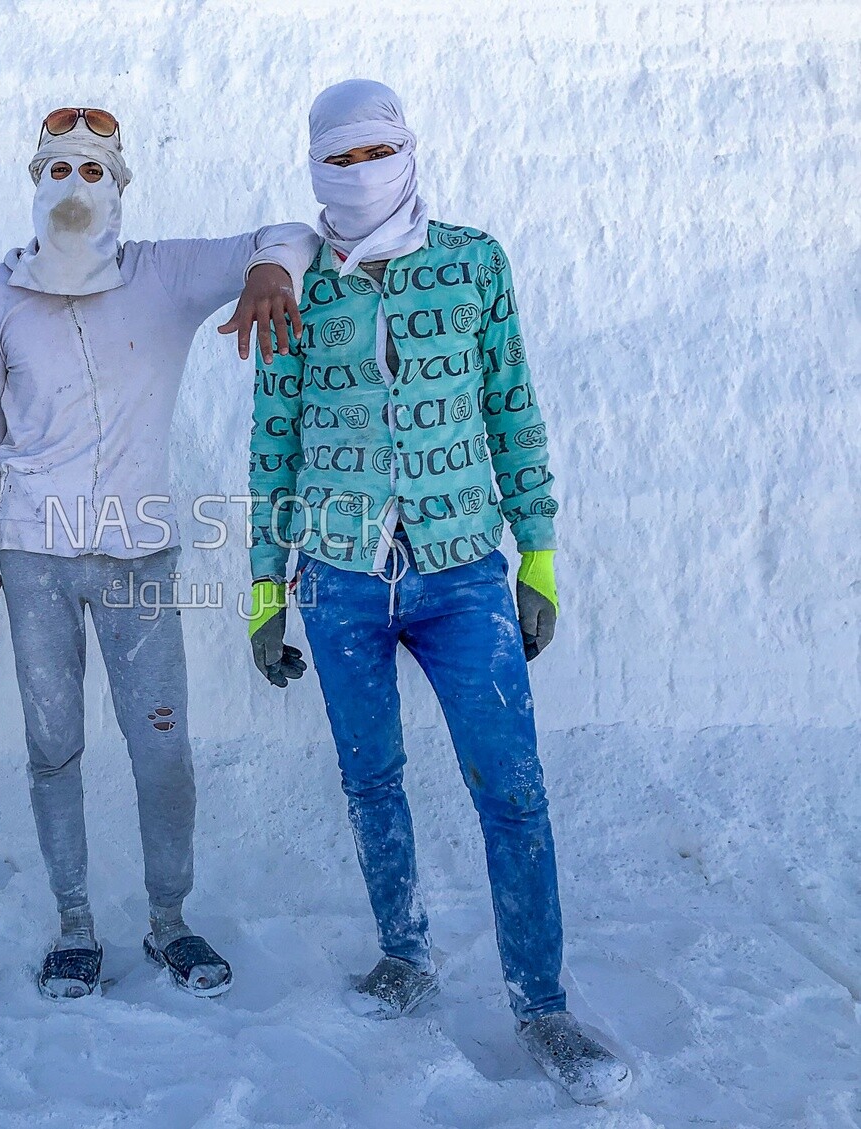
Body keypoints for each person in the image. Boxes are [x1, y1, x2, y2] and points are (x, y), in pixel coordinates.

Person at [245, 81, 630, 1105]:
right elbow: (272, 437)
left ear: (410, 149)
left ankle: (543, 1003)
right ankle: (404, 952)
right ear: (314, 166)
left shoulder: (472, 262)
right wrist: (260, 586)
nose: (362, 170)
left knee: (511, 788)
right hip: (338, 575)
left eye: (379, 150)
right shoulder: (296, 286)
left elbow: (512, 403)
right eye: (341, 156)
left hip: (463, 570)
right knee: (370, 778)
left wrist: (537, 551)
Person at [0, 107, 320, 1000]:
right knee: (53, 747)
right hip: (32, 557)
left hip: (139, 557)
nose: (72, 188)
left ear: (120, 186)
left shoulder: (163, 273)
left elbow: (292, 232)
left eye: (92, 171)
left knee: (162, 748)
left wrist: (272, 267)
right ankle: (75, 924)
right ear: (32, 182)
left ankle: (170, 922)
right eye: (55, 170)